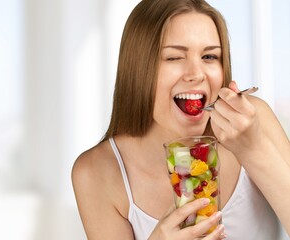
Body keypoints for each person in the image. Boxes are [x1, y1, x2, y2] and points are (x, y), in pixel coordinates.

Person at [72, 0, 290, 239]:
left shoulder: (254, 121)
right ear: (138, 68)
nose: (196, 74)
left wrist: (254, 149)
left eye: (209, 56)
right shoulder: (97, 172)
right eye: (174, 58)